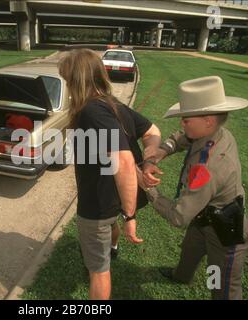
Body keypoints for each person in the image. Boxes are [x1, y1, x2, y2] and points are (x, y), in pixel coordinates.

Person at [58, 49, 161, 300]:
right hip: (110, 200)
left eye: (67, 80)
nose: (67, 86)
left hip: (97, 203)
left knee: (99, 272)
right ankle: (112, 248)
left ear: (77, 81)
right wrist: (148, 160)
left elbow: (124, 162)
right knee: (109, 225)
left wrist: (131, 215)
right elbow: (153, 132)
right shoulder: (112, 104)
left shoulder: (92, 112)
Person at [141, 76, 248, 300]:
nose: (182, 123)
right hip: (203, 216)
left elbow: (179, 216)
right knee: (189, 252)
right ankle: (181, 275)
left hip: (224, 230)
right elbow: (182, 138)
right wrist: (163, 150)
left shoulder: (209, 167)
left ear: (208, 120)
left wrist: (147, 188)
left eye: (186, 119)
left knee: (220, 285)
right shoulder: (213, 133)